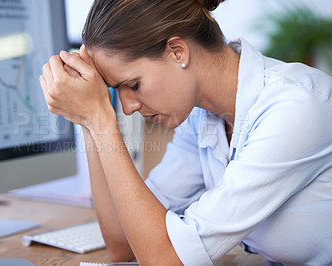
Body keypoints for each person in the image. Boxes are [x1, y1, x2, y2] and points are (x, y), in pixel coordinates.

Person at [39, 0, 332, 265]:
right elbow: (123, 244)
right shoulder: (199, 117)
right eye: (117, 91)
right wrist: (89, 120)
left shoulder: (295, 107)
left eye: (134, 85)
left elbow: (165, 260)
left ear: (177, 51)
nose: (127, 107)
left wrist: (100, 121)